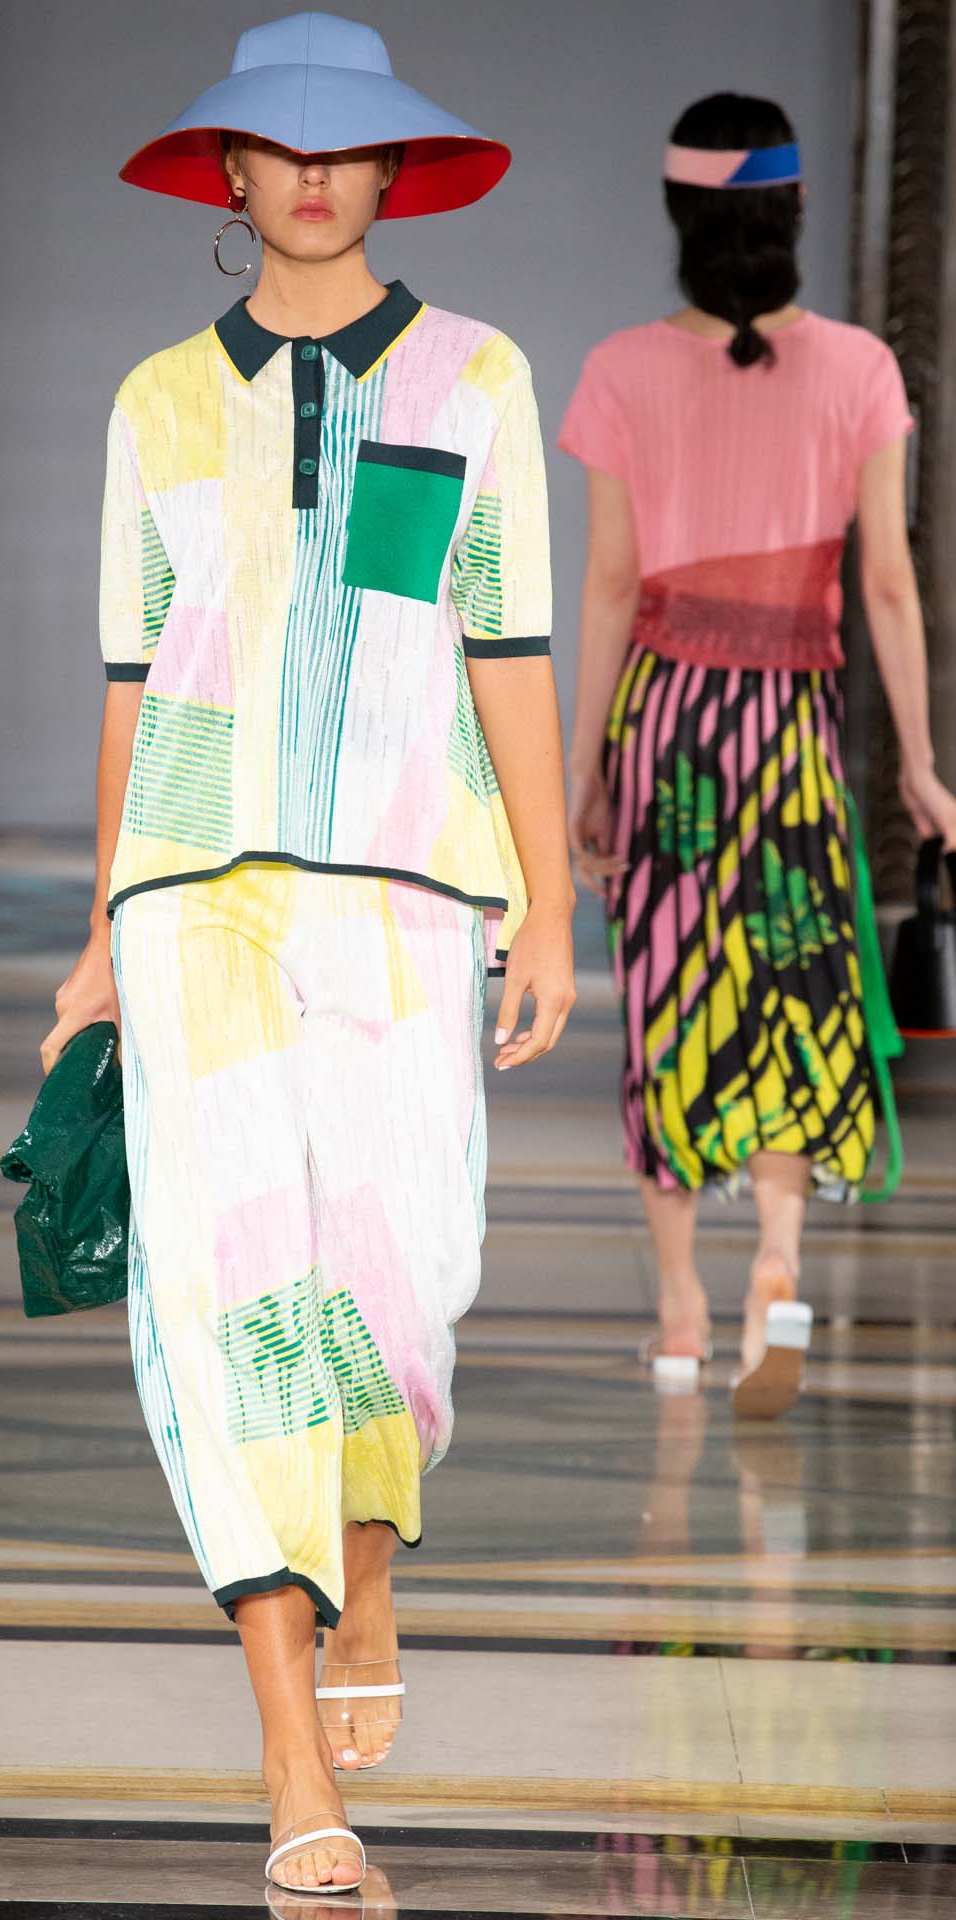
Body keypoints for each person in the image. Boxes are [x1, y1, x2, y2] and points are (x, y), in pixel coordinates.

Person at [41, 11, 575, 1894]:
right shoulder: (153, 404)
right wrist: (100, 929)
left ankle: (367, 1562)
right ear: (234, 173)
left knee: (402, 1289)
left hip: (410, 888)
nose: (318, 172)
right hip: (197, 890)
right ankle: (291, 1767)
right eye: (284, 143)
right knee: (231, 1298)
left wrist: (551, 898)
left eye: (350, 144)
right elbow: (131, 680)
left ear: (390, 170)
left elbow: (506, 642)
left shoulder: (478, 376)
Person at [560, 94, 956, 1419]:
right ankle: (775, 1262)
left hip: (668, 726)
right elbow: (888, 584)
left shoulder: (620, 370)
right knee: (795, 982)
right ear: (793, 211)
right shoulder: (861, 370)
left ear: (679, 212)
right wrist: (921, 767)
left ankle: (679, 1305)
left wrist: (580, 768)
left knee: (671, 993)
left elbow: (611, 585)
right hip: (789, 730)